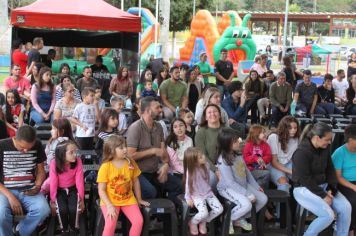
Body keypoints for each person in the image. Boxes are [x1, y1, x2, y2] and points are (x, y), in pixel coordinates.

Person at [292, 122, 352, 236]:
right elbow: (305, 179)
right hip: (303, 189)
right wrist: (323, 195)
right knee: (328, 215)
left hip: (323, 186)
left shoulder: (324, 148)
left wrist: (331, 188)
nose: (330, 142)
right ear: (316, 138)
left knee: (346, 208)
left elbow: (330, 169)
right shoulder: (301, 153)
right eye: (327, 139)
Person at [127, 96, 183, 201]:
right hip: (138, 172)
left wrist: (166, 165)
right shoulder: (135, 128)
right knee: (151, 191)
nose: (161, 110)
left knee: (179, 185)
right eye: (157, 108)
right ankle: (143, 213)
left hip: (155, 170)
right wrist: (152, 151)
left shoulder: (159, 127)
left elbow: (163, 153)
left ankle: (166, 213)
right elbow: (130, 156)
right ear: (148, 110)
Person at [0, 125, 50, 236]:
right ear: (15, 138)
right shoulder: (2, 145)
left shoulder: (37, 144)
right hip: (5, 190)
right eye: (22, 148)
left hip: (29, 189)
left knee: (43, 210)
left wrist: (37, 187)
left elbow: (41, 171)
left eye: (29, 147)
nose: (26, 150)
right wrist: (10, 196)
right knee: (1, 215)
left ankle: (19, 232)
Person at [217, 127, 268, 232]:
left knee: (263, 199)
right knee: (247, 204)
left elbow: (247, 173)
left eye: (237, 139)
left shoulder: (238, 154)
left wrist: (256, 187)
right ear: (227, 144)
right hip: (228, 188)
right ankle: (228, 218)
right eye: (235, 141)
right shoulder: (223, 160)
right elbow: (230, 183)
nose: (238, 142)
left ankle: (238, 218)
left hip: (242, 184)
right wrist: (247, 194)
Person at [97, 135, 149, 236]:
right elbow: (101, 190)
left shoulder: (131, 162)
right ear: (112, 150)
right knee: (110, 225)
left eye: (125, 146)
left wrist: (139, 199)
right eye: (121, 148)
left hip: (128, 199)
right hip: (110, 201)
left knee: (138, 221)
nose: (125, 149)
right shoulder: (105, 166)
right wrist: (109, 205)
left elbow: (136, 181)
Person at [184, 147, 223, 235]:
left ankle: (204, 221)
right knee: (204, 212)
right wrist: (188, 197)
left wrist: (208, 190)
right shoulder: (190, 171)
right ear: (194, 161)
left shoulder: (206, 165)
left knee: (219, 209)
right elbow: (187, 185)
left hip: (208, 192)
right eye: (200, 157)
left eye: (203, 155)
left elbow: (207, 179)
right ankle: (193, 222)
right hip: (196, 194)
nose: (204, 157)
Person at [49, 140, 85, 235]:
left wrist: (82, 199)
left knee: (74, 209)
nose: (75, 154)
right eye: (71, 152)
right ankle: (64, 229)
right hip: (59, 190)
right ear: (62, 154)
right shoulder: (54, 163)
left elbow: (79, 181)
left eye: (75, 151)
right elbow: (53, 183)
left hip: (73, 189)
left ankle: (73, 228)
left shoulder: (78, 161)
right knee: (62, 209)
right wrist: (52, 201)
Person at [332, 124, 356, 236]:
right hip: (345, 183)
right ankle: (350, 230)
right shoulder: (339, 153)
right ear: (351, 140)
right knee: (353, 201)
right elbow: (338, 177)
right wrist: (353, 187)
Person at [195, 104, 225, 188]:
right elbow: (202, 155)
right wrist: (215, 170)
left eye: (215, 111)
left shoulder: (227, 130)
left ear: (219, 115)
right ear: (205, 117)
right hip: (208, 165)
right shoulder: (201, 133)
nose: (212, 114)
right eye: (209, 112)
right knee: (213, 179)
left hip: (226, 163)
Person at [267, 116, 299, 192]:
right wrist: (290, 171)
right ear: (284, 128)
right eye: (290, 128)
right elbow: (274, 162)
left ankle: (298, 202)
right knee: (283, 183)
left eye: (295, 128)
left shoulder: (296, 138)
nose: (293, 130)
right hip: (273, 165)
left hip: (288, 163)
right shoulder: (274, 137)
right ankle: (280, 203)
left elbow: (292, 158)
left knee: (302, 178)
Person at [242, 125, 272, 189]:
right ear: (256, 134)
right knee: (266, 174)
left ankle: (258, 190)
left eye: (264, 132)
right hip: (250, 170)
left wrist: (262, 159)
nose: (265, 134)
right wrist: (256, 158)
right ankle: (257, 189)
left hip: (261, 169)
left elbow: (269, 157)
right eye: (262, 133)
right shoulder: (248, 145)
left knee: (265, 176)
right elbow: (245, 158)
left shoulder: (266, 145)